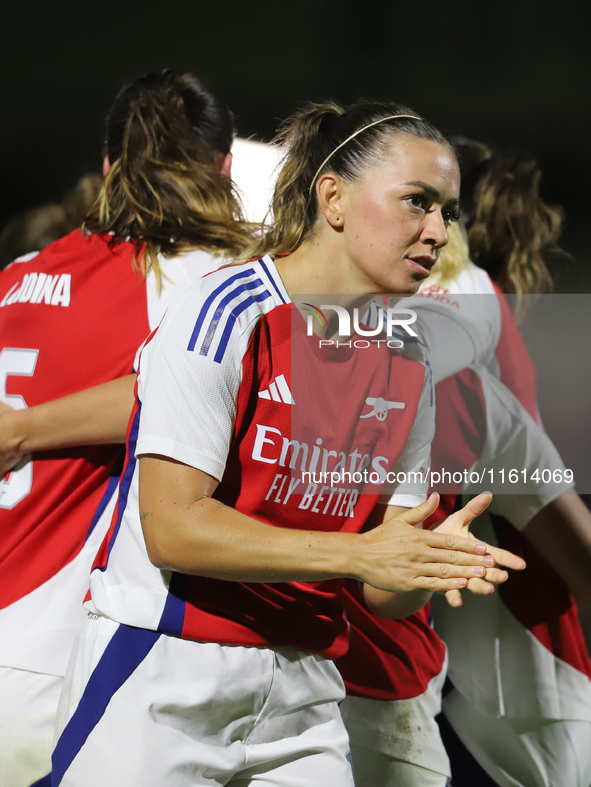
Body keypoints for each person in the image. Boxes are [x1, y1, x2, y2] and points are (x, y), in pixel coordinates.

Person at [50, 101, 524, 787]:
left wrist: (424, 560)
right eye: (416, 202)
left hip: (305, 691)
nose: (437, 232)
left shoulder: (409, 360)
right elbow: (174, 528)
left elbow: (381, 587)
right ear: (332, 197)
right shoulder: (224, 313)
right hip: (164, 674)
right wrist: (361, 551)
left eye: (446, 211)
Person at [0, 69, 257, 787]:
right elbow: (183, 389)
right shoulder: (200, 280)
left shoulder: (18, 273)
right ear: (225, 168)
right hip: (58, 653)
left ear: (109, 168)